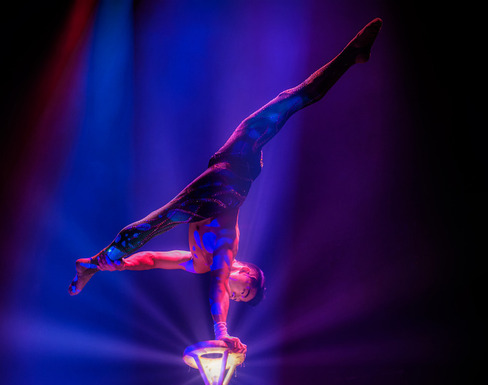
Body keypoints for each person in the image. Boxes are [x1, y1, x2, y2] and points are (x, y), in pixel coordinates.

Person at [68, 18, 382, 353]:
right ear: (245, 271)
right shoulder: (226, 248)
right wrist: (221, 330)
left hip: (219, 175)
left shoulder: (197, 263)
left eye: (239, 297)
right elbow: (218, 286)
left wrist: (121, 263)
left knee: (155, 223)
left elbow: (153, 258)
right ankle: (350, 56)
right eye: (244, 291)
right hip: (234, 174)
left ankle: (93, 264)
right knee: (286, 103)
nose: (236, 294)